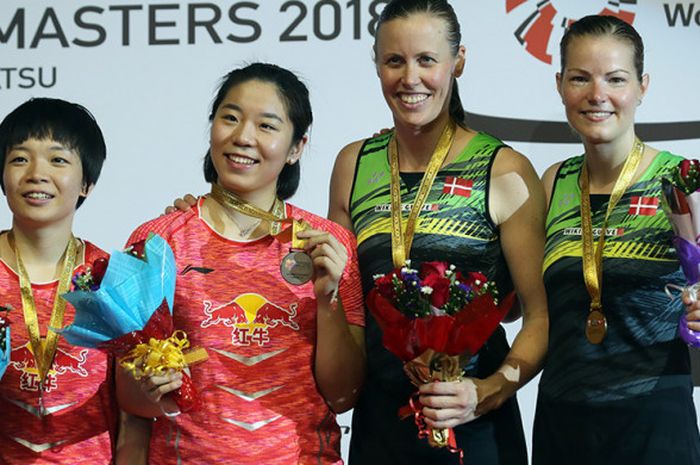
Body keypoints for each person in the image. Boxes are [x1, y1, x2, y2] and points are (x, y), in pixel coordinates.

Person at [326, 0, 548, 463]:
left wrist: (488, 390)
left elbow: (541, 318)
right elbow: (347, 312)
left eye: (427, 59)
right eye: (394, 60)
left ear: (458, 62)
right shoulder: (353, 165)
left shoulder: (504, 169)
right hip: (380, 427)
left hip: (477, 425)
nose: (410, 78)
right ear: (377, 65)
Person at [117, 63, 366, 465]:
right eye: (229, 118)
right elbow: (129, 401)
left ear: (297, 147)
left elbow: (343, 394)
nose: (242, 137)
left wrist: (328, 300)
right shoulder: (158, 241)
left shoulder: (328, 244)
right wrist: (148, 385)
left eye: (266, 126)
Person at [533, 15, 700, 465]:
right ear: (560, 84)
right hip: (562, 424)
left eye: (616, 78)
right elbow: (529, 309)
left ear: (642, 86)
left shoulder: (684, 182)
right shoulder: (553, 183)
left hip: (655, 426)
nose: (597, 94)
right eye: (580, 78)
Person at [0, 98, 143, 464]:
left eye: (58, 160)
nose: (36, 173)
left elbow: (134, 419)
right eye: (20, 158)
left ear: (87, 183)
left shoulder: (112, 278)